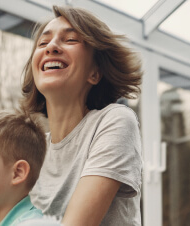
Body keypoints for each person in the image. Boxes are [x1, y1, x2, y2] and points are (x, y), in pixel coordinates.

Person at [20, 5, 143, 226]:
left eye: (70, 40)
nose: (52, 47)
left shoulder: (114, 121)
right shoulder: (33, 150)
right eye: (43, 43)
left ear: (95, 73)